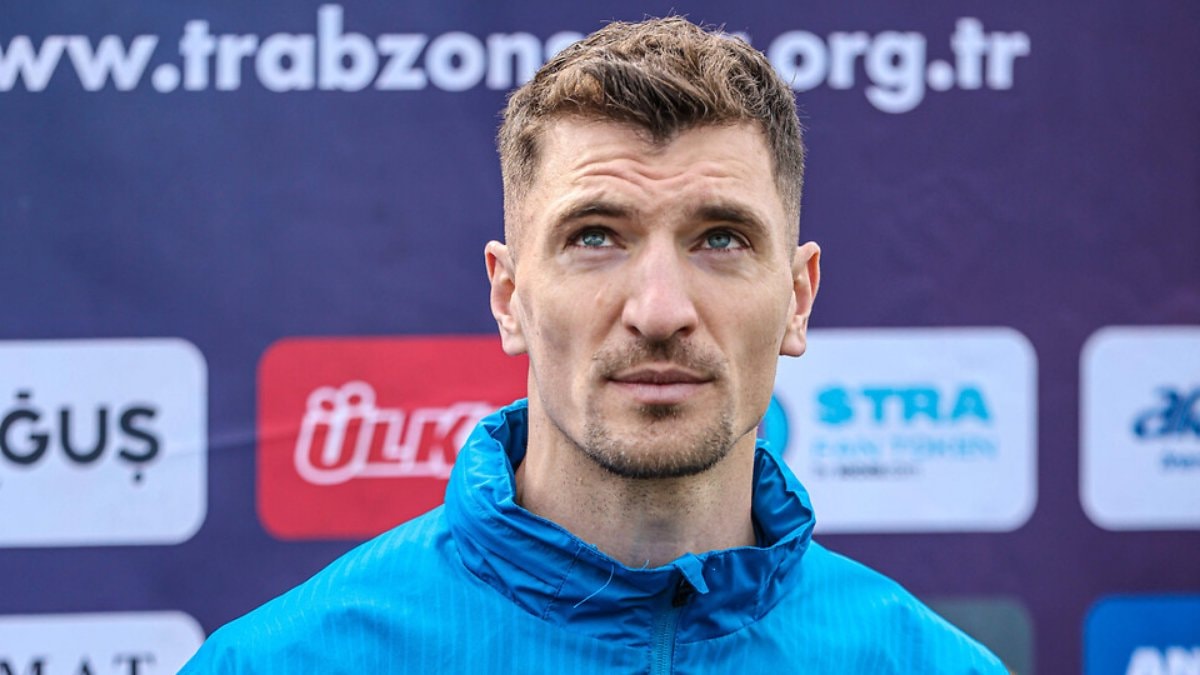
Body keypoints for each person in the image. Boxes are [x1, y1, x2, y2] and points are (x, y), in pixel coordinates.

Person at [183, 17, 1006, 673]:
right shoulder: (279, 662)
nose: (660, 311)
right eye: (595, 236)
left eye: (721, 239)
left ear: (798, 298)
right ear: (509, 297)